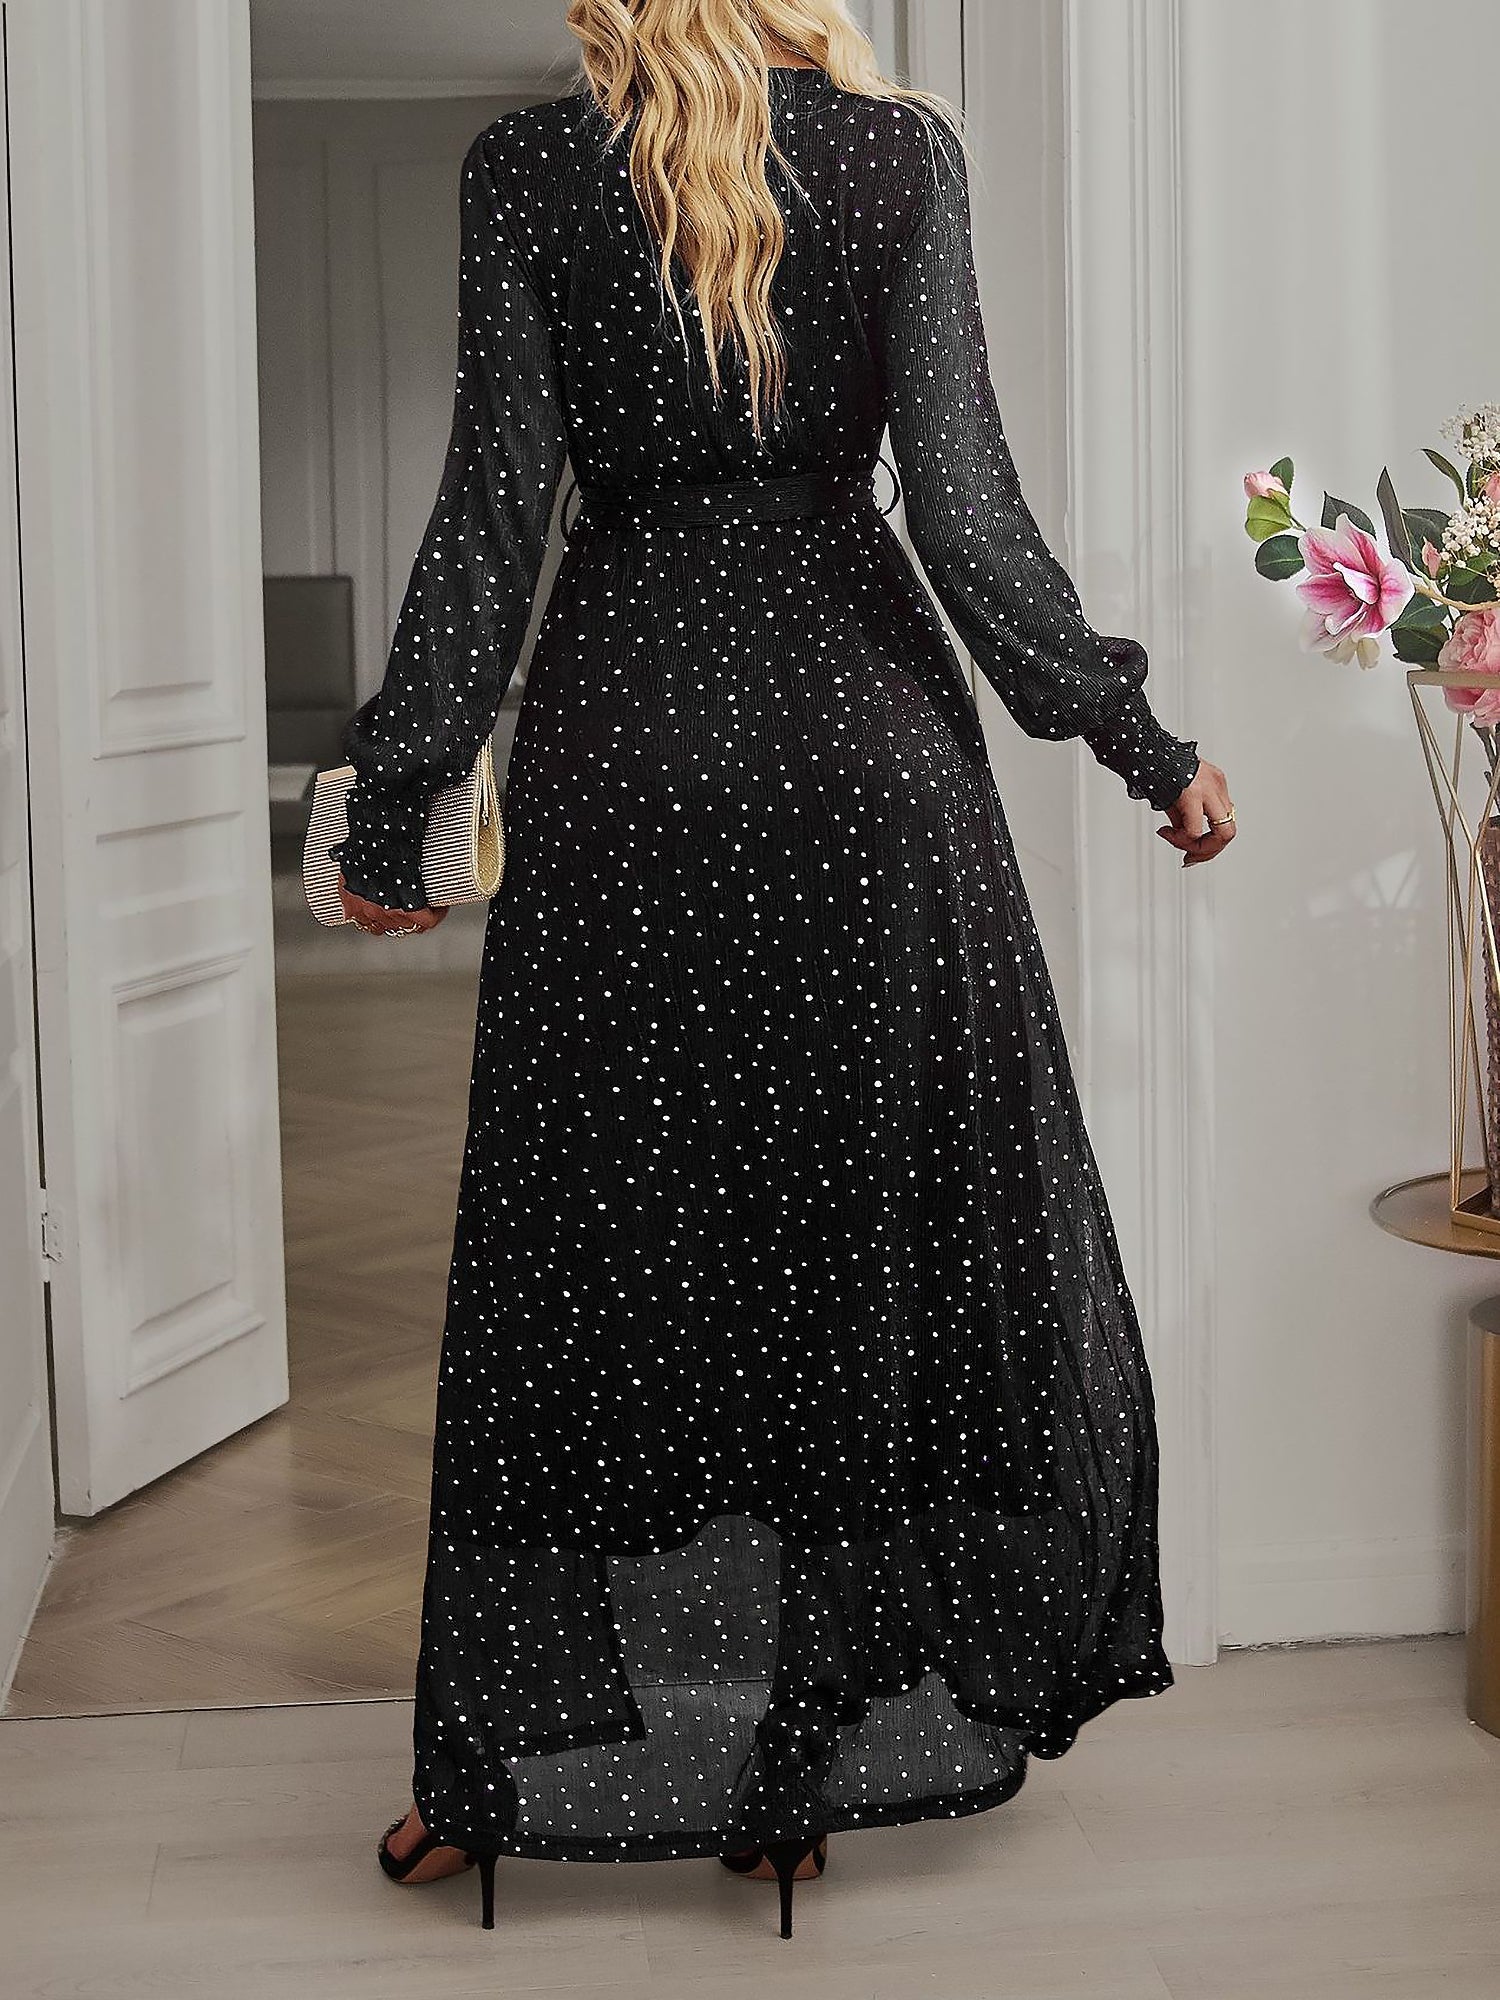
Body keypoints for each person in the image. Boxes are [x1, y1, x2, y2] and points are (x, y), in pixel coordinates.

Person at [334, 0, 1235, 1943]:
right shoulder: (902, 159)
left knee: (591, 1243)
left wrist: (391, 802)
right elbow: (969, 517)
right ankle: (795, 1769)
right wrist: (1139, 742)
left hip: (626, 752)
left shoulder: (527, 174)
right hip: (862, 751)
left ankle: (488, 1767)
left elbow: (491, 513)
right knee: (848, 1247)